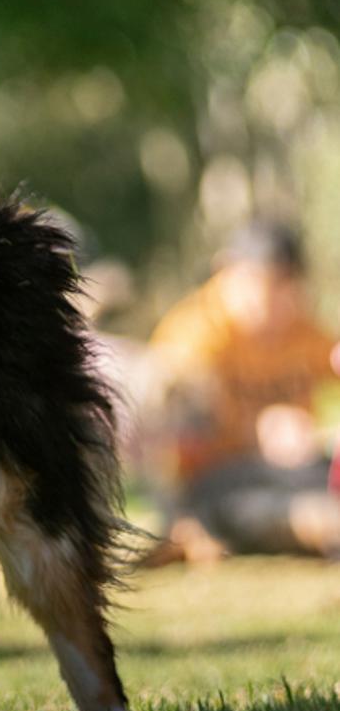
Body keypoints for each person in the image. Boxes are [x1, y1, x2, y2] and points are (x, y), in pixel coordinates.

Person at [142, 223, 340, 565]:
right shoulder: (193, 332)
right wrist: (258, 431)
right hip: (211, 487)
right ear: (226, 272)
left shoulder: (301, 330)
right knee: (272, 509)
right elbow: (175, 435)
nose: (272, 301)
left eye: (285, 287)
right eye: (262, 284)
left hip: (295, 474)